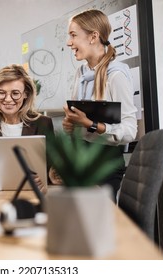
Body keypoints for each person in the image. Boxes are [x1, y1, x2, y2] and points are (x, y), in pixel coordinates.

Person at [63, 9, 138, 199]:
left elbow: (130, 130)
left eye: (73, 35)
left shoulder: (116, 75)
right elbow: (77, 124)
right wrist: (70, 124)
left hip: (106, 164)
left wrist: (91, 124)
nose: (68, 42)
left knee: (97, 223)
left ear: (93, 37)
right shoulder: (81, 74)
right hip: (81, 161)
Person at [0, 64, 54, 193]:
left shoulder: (43, 123)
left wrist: (46, 179)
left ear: (26, 94)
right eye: (2, 93)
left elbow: (51, 167)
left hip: (31, 193)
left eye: (15, 93)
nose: (8, 99)